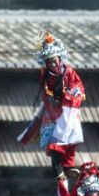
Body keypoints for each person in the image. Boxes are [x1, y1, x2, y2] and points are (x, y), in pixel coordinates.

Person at [19, 32, 86, 176]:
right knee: (55, 139)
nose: (52, 64)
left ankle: (68, 165)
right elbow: (45, 92)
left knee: (72, 137)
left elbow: (78, 86)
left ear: (60, 59)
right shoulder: (45, 74)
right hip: (52, 108)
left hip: (69, 108)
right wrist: (53, 102)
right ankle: (57, 168)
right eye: (49, 62)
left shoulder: (69, 72)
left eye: (54, 60)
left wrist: (71, 95)